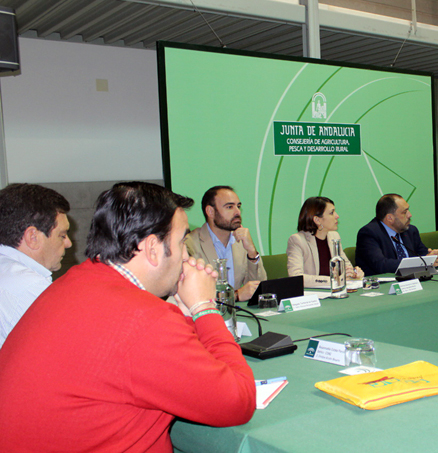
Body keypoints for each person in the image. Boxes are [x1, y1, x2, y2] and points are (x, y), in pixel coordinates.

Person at [0, 182, 255, 452]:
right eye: (182, 242)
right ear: (153, 249)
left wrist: (180, 311)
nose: (186, 255)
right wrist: (205, 308)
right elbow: (238, 401)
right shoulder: (145, 320)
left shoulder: (74, 282)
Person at [0, 184, 72, 349]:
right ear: (33, 237)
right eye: (62, 235)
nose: (68, 243)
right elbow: (67, 350)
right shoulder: (28, 285)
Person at [187, 186, 266, 302]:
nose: (237, 212)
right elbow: (192, 294)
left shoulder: (241, 240)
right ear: (210, 211)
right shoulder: (190, 244)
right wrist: (235, 295)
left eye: (238, 206)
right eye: (229, 207)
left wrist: (252, 252)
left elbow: (259, 287)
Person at [356, 194, 438, 276]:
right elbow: (381, 265)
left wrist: (432, 256)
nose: (410, 215)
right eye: (404, 212)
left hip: (412, 280)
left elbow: (422, 253)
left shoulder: (410, 230)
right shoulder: (369, 233)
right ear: (390, 218)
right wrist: (421, 262)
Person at [287, 196, 364, 288]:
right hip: (312, 297)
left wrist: (354, 273)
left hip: (334, 292)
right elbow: (296, 277)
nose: (337, 216)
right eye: (331, 213)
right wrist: (333, 280)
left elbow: (346, 267)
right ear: (317, 220)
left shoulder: (334, 236)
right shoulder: (297, 240)